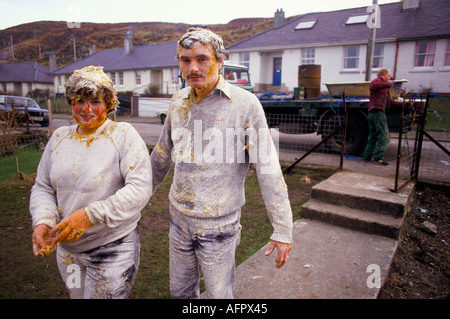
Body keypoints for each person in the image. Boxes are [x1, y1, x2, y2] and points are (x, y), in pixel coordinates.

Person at [150, 27, 293, 299]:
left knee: (219, 295)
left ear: (219, 60)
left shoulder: (245, 104)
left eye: (202, 58)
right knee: (179, 292)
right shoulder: (178, 101)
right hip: (178, 220)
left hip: (220, 227)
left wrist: (283, 228)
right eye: (185, 59)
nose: (193, 67)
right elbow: (160, 157)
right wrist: (130, 205)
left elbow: (268, 169)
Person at [30, 65, 152, 299]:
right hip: (68, 252)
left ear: (108, 104)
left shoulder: (123, 135)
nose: (87, 109)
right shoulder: (59, 137)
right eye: (79, 101)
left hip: (111, 248)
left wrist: (90, 216)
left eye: (95, 102)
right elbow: (43, 186)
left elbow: (140, 188)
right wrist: (43, 221)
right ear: (70, 102)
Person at [363, 68, 405, 165]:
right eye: (389, 75)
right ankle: (378, 157)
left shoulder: (385, 88)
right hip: (377, 112)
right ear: (384, 74)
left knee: (373, 135)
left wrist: (406, 104)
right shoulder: (377, 81)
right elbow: (373, 85)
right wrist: (389, 84)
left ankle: (367, 156)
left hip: (374, 113)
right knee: (384, 136)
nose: (389, 78)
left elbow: (392, 102)